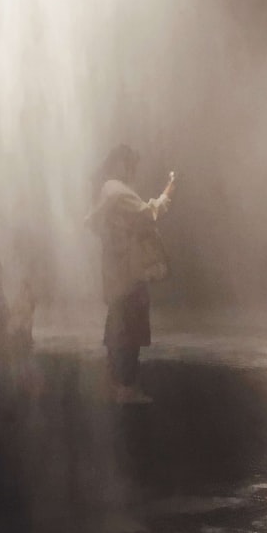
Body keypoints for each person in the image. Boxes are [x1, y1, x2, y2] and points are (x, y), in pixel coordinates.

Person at [86, 144, 176, 404]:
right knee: (129, 326)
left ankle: (115, 383)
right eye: (130, 164)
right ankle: (125, 386)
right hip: (129, 271)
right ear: (118, 163)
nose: (133, 171)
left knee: (118, 323)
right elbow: (150, 214)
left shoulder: (106, 190)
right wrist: (171, 188)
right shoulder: (116, 191)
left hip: (117, 271)